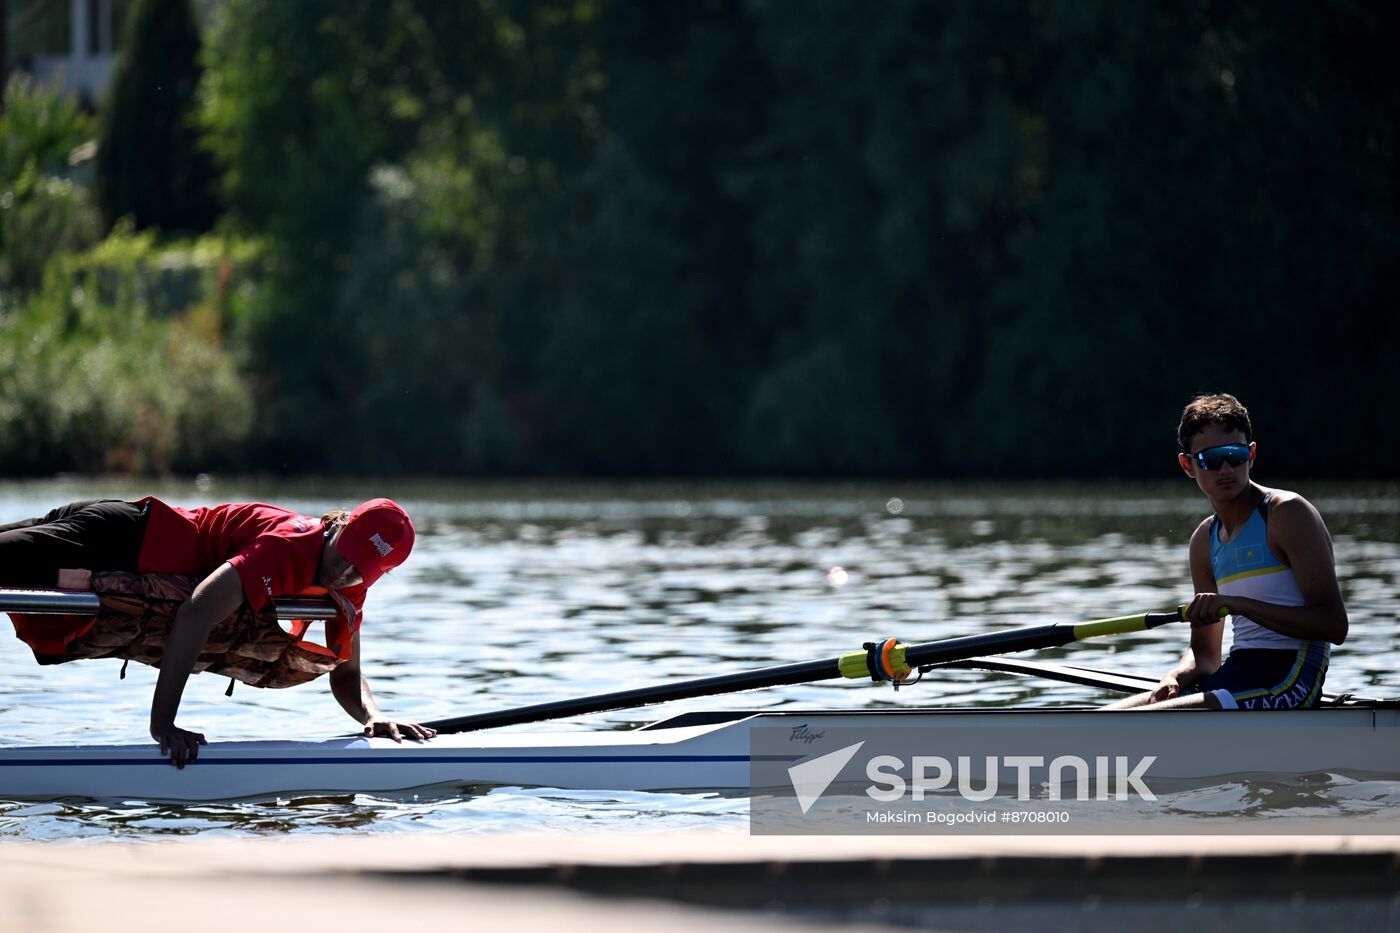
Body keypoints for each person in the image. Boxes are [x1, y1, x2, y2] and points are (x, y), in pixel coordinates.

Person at [0, 496, 437, 764]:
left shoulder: (353, 586)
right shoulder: (289, 546)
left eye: (361, 568)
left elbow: (345, 672)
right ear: (341, 525)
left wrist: (374, 716)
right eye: (347, 550)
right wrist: (163, 725)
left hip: (123, 533)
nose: (344, 570)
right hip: (122, 539)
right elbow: (196, 612)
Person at [1105, 393, 1347, 710]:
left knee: (1140, 721)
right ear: (1187, 465)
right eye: (1210, 459)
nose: (1224, 468)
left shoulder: (1286, 513)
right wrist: (1176, 676)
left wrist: (1238, 604)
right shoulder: (1204, 540)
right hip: (1237, 673)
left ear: (1251, 454)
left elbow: (1334, 625)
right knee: (1104, 716)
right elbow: (1205, 656)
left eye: (1234, 455)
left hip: (1292, 679)